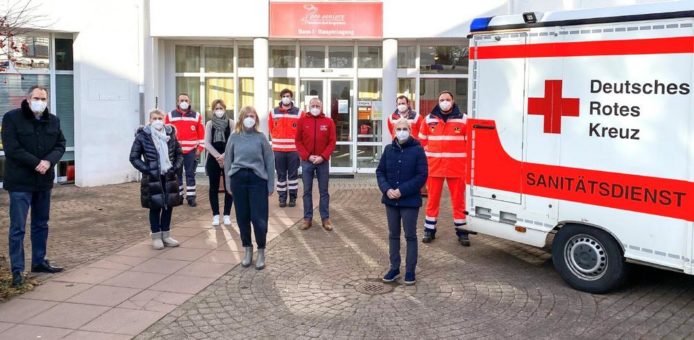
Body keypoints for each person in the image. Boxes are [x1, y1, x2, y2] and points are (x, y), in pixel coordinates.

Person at [2, 85, 66, 287]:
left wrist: (48, 161)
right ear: (28, 99)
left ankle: (39, 261)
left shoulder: (53, 120)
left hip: (43, 181)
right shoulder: (12, 118)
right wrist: (36, 163)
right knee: (18, 228)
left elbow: (61, 144)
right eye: (36, 98)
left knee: (41, 224)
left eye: (43, 98)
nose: (40, 101)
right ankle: (17, 270)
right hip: (20, 182)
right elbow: (12, 148)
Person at [376, 118, 428, 286]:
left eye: (405, 128)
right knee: (393, 235)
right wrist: (386, 189)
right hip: (391, 201)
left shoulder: (418, 150)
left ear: (410, 130)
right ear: (394, 131)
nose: (402, 131)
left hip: (409, 202)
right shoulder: (388, 149)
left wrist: (402, 190)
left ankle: (410, 270)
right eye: (399, 129)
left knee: (410, 236)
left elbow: (421, 176)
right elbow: (380, 172)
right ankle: (394, 268)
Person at [224, 106, 275, 270]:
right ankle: (247, 249)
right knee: (242, 217)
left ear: (256, 119)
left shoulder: (261, 138)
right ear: (241, 118)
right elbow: (228, 161)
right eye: (247, 115)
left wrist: (270, 183)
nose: (250, 118)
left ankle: (261, 250)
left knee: (259, 218)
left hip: (257, 180)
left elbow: (269, 160)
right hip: (238, 179)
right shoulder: (234, 137)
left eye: (252, 116)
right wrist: (228, 182)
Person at [418, 90, 471, 246]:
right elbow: (421, 144)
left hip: (457, 168)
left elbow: (470, 145)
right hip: (434, 168)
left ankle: (462, 231)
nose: (445, 102)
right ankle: (429, 230)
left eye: (447, 99)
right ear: (438, 101)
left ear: (453, 101)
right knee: (432, 200)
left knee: (459, 201)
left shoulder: (464, 120)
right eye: (442, 99)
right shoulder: (428, 120)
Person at [130, 109, 184, 250]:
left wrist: (174, 167)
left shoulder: (170, 135)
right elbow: (134, 157)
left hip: (169, 176)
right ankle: (156, 236)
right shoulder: (143, 136)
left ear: (164, 119)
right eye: (155, 118)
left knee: (168, 206)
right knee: (155, 207)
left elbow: (179, 154)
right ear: (150, 120)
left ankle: (166, 235)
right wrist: (147, 169)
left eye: (160, 118)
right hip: (152, 178)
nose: (158, 121)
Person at [295, 98, 336, 231]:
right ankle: (307, 218)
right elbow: (298, 141)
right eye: (312, 105)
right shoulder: (302, 121)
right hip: (307, 161)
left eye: (317, 106)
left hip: (322, 162)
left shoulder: (328, 122)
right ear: (308, 106)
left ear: (322, 107)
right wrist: (308, 156)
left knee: (324, 191)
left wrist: (323, 156)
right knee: (307, 191)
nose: (315, 108)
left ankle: (325, 218)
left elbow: (332, 142)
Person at [165, 93, 204, 207]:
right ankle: (179, 196)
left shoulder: (196, 116)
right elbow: (166, 133)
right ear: (178, 102)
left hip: (191, 151)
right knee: (177, 174)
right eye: (182, 100)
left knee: (190, 174)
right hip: (177, 151)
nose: (184, 102)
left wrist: (200, 148)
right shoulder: (170, 116)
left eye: (186, 100)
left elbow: (201, 133)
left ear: (190, 102)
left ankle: (191, 197)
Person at [268, 88, 301, 208]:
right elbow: (271, 129)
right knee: (281, 175)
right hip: (278, 151)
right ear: (281, 98)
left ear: (291, 98)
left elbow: (301, 131)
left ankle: (292, 198)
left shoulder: (299, 112)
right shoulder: (273, 112)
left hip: (293, 150)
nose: (286, 98)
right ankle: (282, 198)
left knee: (293, 175)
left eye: (288, 96)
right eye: (284, 96)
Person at [204, 99, 234, 226]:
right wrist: (217, 156)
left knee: (229, 187)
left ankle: (227, 214)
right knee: (213, 188)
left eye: (221, 108)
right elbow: (207, 143)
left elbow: (233, 142)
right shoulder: (209, 124)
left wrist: (224, 156)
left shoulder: (231, 123)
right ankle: (215, 215)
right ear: (213, 110)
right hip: (213, 159)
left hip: (228, 158)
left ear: (225, 109)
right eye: (217, 108)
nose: (219, 111)